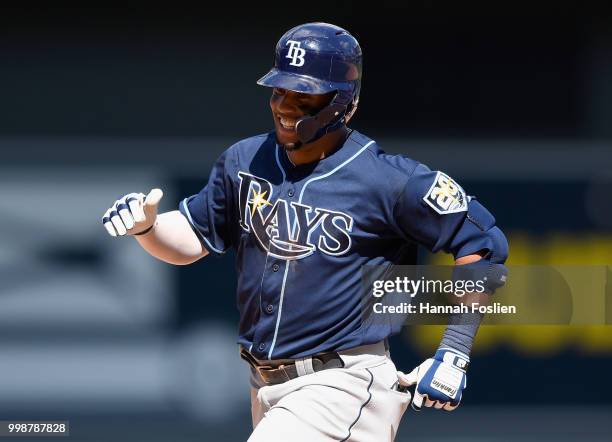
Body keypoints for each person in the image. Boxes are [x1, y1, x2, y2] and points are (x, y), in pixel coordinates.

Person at [102, 22, 508, 442]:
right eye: (280, 90)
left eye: (304, 95)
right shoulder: (246, 159)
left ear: (342, 101)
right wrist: (147, 227)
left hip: (343, 384)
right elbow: (193, 235)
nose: (285, 104)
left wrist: (455, 351)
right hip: (265, 387)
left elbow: (484, 247)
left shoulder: (390, 180)